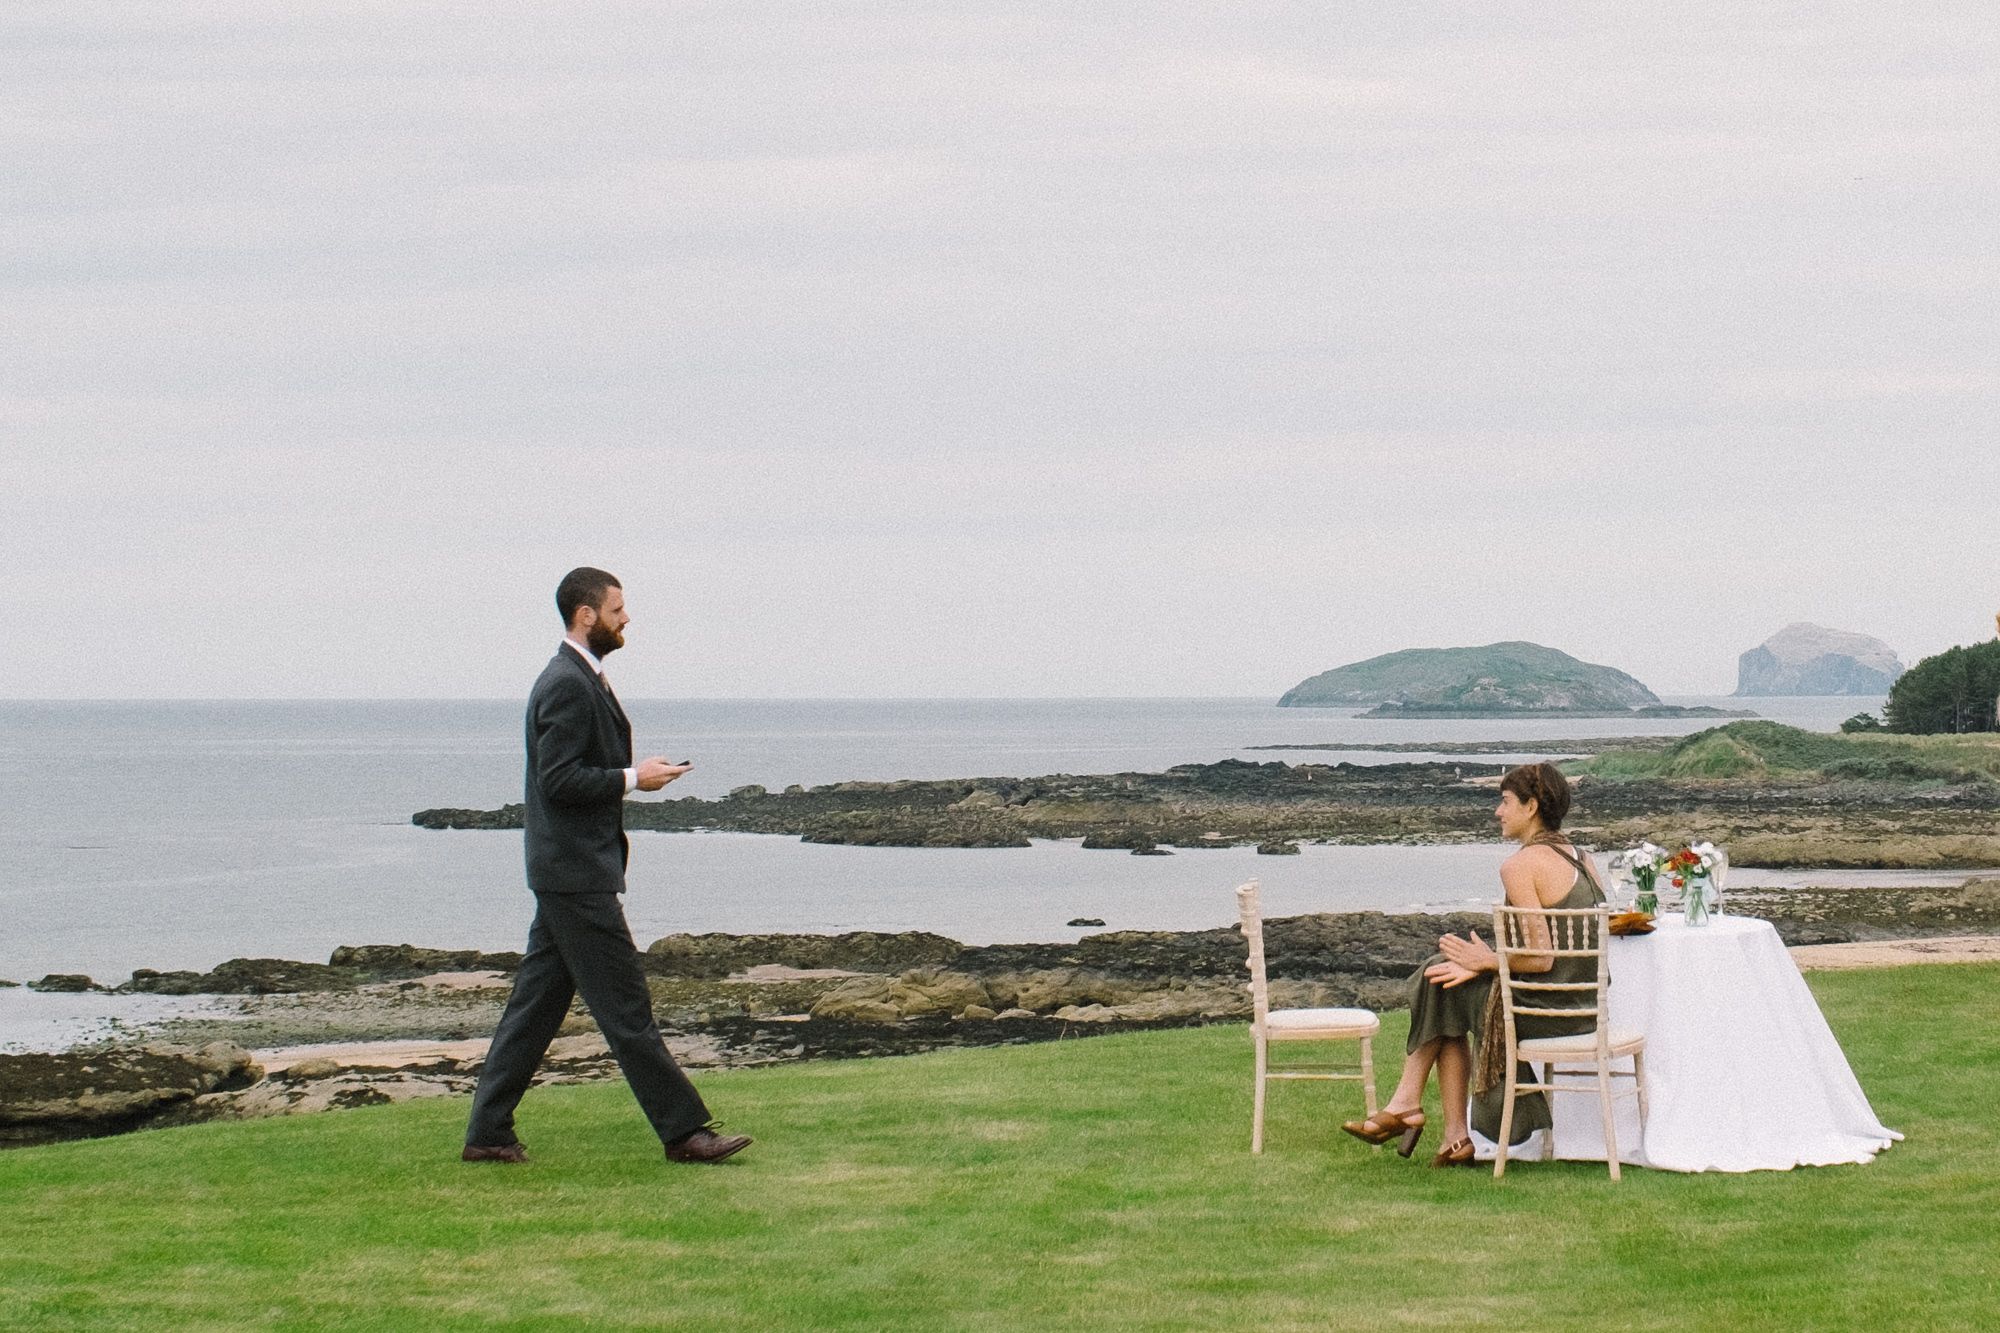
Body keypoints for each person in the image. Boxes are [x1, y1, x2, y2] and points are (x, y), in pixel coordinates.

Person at [463, 567, 751, 1165]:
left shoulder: (581, 676)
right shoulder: (567, 682)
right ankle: (684, 1133)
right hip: (575, 875)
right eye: (617, 609)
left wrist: (634, 779)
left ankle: (488, 1134)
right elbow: (558, 779)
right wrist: (631, 777)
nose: (626, 619)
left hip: (565, 871)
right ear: (586, 615)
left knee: (533, 1013)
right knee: (627, 1011)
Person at [1340, 762, 1603, 1167]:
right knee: (1444, 978)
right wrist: (1480, 963)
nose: (1498, 812)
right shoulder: (1581, 858)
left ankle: (1409, 1104)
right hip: (1583, 1009)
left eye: (1505, 801)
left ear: (1531, 806)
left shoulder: (1520, 865)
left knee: (1437, 978)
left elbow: (1542, 955)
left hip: (1543, 1012)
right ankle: (1453, 1138)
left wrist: (1487, 960)